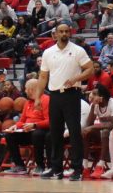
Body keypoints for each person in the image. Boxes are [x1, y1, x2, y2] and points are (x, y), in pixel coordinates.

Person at [36, 23, 95, 180]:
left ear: (70, 33)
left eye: (66, 31)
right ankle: (56, 168)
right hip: (54, 95)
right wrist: (37, 97)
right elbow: (43, 77)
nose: (64, 34)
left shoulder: (77, 50)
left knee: (74, 132)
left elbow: (91, 69)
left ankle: (77, 169)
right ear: (55, 34)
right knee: (55, 133)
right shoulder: (48, 52)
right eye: (61, 31)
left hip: (72, 95)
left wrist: (77, 78)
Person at [1, 78, 51, 175]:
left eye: (26, 89)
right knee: (9, 136)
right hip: (27, 131)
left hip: (41, 131)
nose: (25, 91)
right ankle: (19, 165)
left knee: (37, 134)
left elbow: (49, 121)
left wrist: (34, 125)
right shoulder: (27, 102)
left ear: (32, 89)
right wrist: (14, 126)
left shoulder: (45, 100)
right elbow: (22, 120)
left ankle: (40, 166)